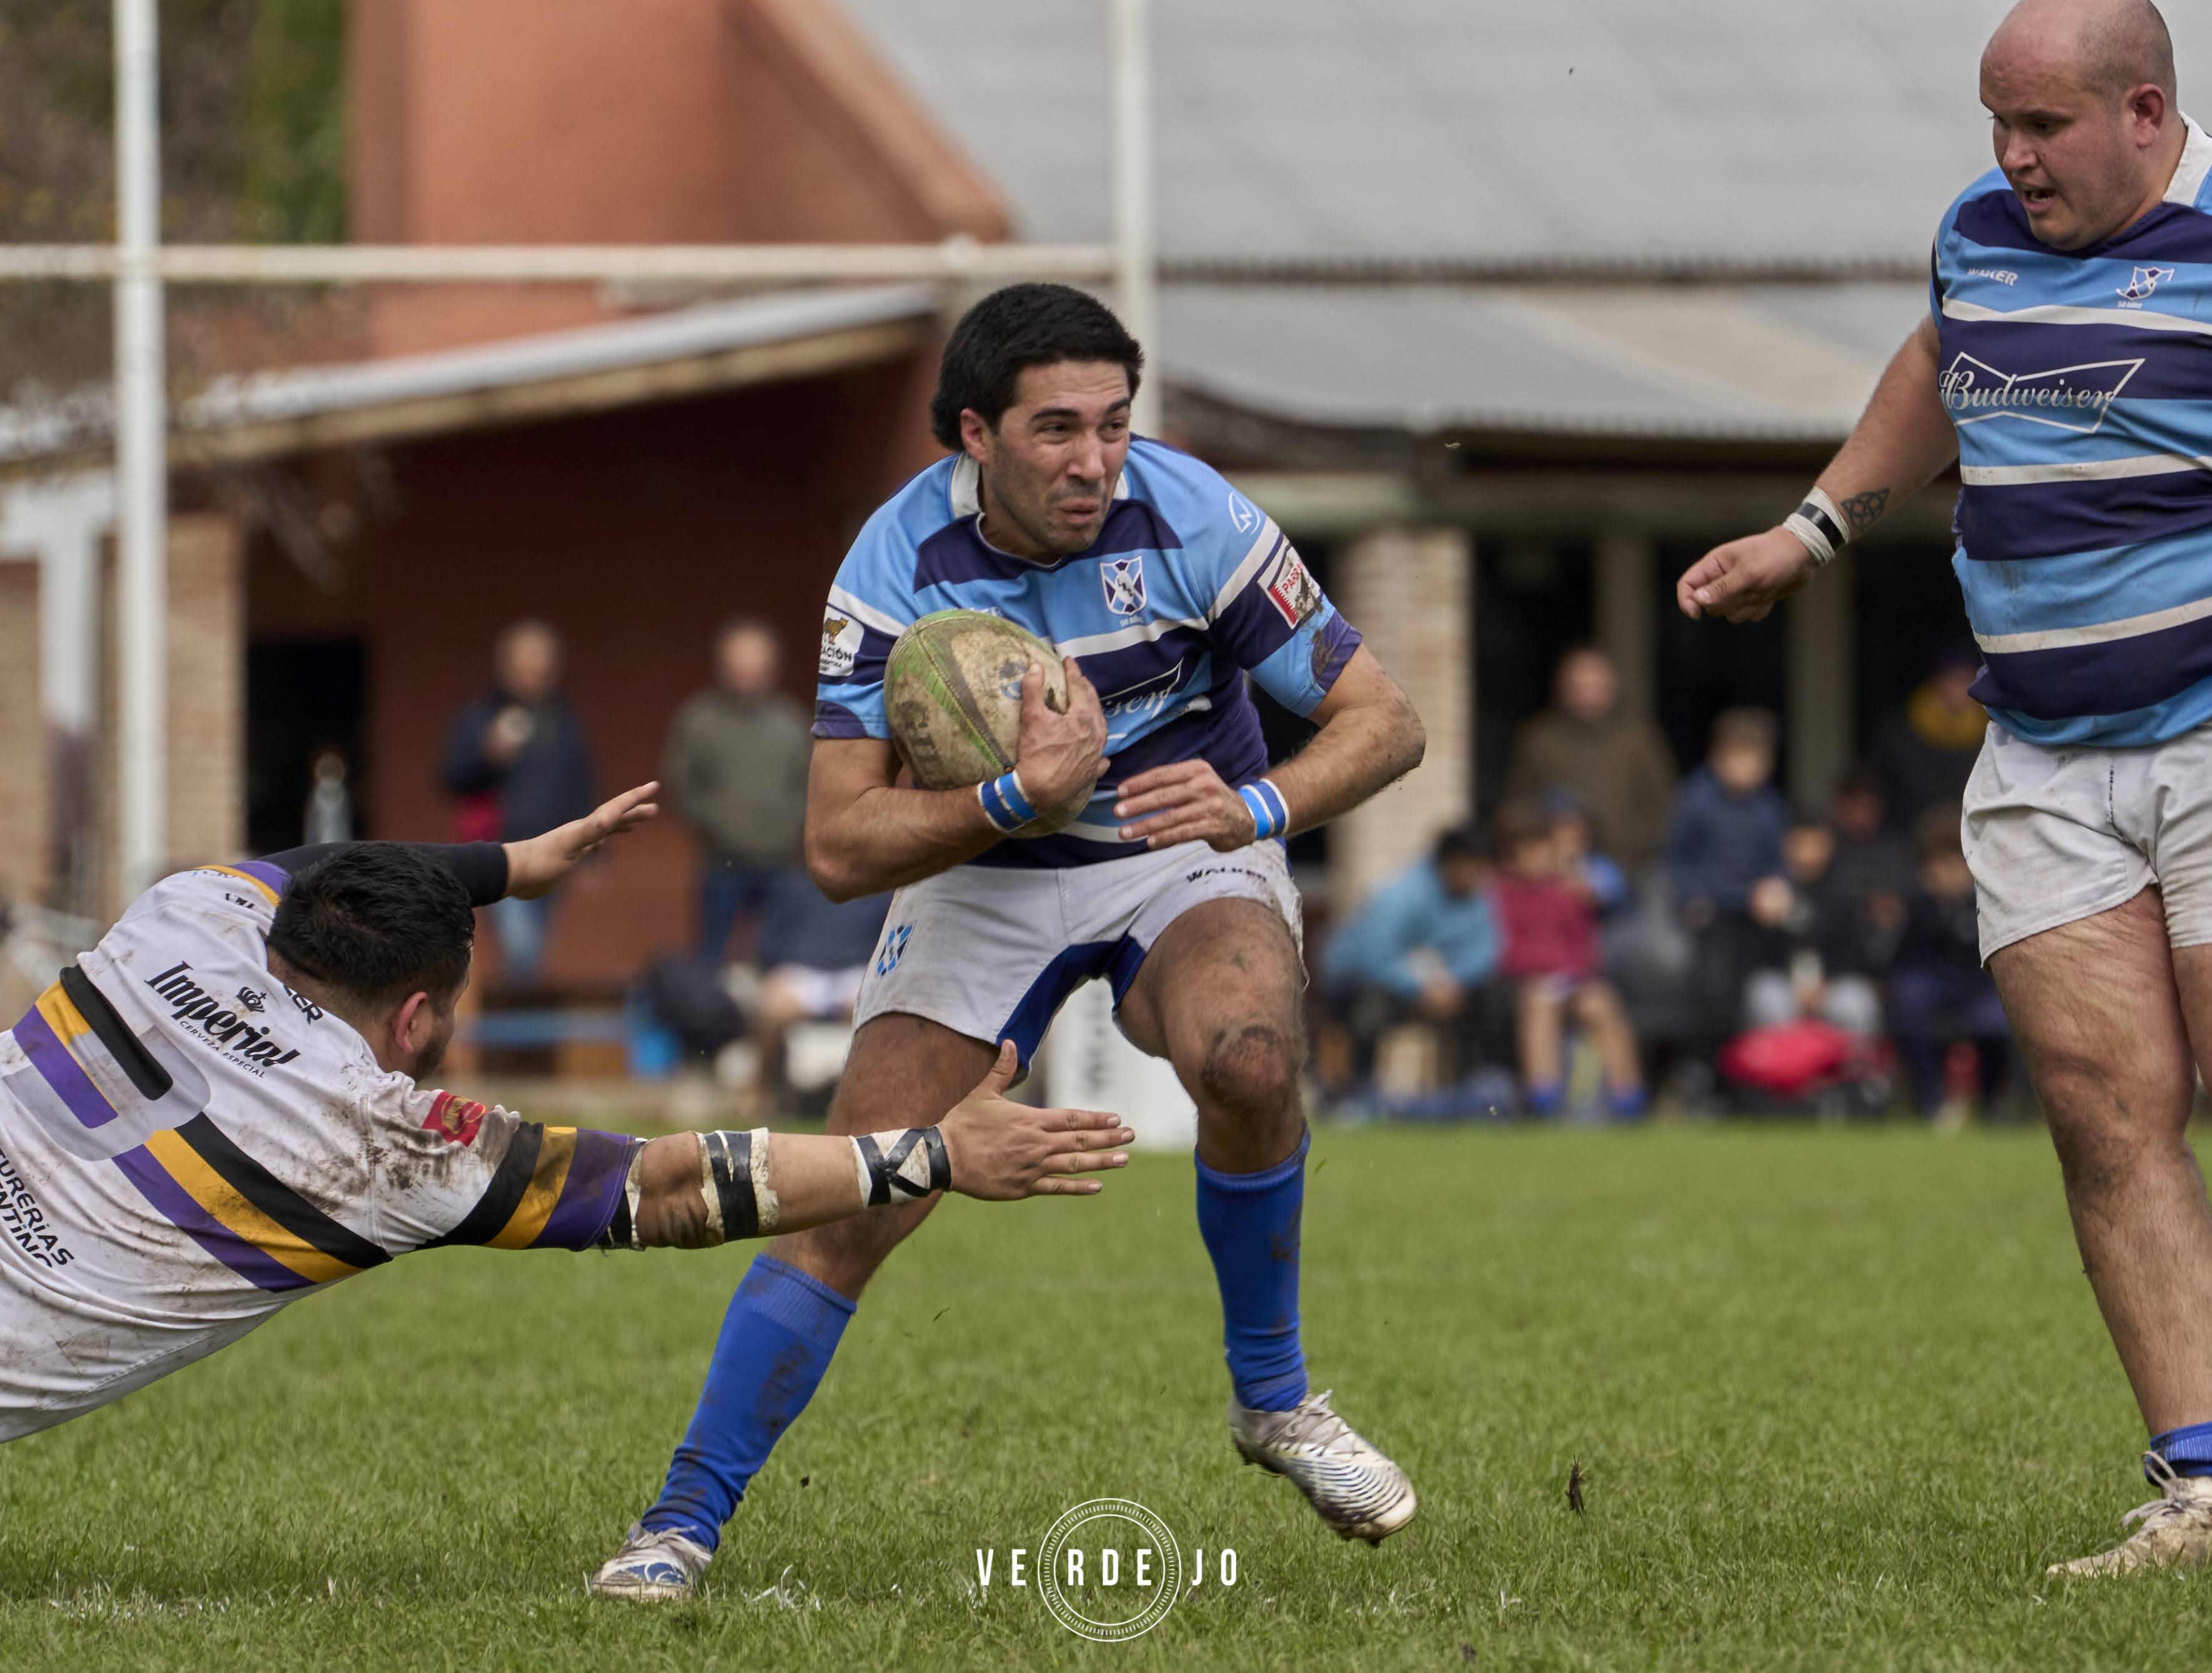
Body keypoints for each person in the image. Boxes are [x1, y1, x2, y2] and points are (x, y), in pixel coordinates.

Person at [590, 282, 1427, 1600]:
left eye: (1110, 423)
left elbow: (1386, 720)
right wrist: (1006, 800)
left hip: (1179, 846)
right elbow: (838, 839)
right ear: (972, 435)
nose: (1094, 460)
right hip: (984, 873)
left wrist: (1256, 802)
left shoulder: (1196, 513)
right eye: (1054, 430)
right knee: (868, 1182)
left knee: (1252, 1058)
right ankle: (679, 1521)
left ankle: (1275, 1401)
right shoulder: (890, 565)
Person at [1675, 0, 2212, 1574]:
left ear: (2141, 110)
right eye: (1992, 122)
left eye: (2040, 126)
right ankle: (2198, 1489)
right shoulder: (1975, 233)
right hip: (2039, 752)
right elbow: (1933, 360)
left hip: (2204, 733)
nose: (2007, 157)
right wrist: (1809, 531)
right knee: (2099, 1109)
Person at [0, 785, 1132, 1449]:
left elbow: (316, 863)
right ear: (415, 1020)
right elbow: (669, 1189)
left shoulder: (185, 911)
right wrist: (930, 1150)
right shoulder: (378, 1142)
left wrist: (501, 863)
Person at [439, 620, 595, 985]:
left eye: (539, 666)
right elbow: (450, 778)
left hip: (555, 850)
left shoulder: (564, 724)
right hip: (500, 850)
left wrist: (593, 851)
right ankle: (520, 1021)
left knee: (535, 944)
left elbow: (580, 786)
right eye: (523, 666)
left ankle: (523, 1018)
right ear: (505, 666)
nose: (531, 675)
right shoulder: (479, 718)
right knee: (522, 948)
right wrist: (488, 753)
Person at [662, 618, 813, 963]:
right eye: (739, 665)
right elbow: (681, 784)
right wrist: (718, 823)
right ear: (723, 666)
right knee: (711, 957)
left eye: (755, 666)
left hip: (780, 864)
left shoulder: (791, 723)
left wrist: (790, 826)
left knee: (781, 958)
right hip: (721, 863)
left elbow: (808, 785)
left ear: (771, 668)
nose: (747, 674)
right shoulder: (698, 720)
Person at [1489, 801, 1644, 1119]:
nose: (1543, 856)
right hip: (1521, 983)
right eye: (1532, 850)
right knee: (1541, 1003)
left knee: (1601, 1002)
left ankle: (1628, 1098)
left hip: (1572, 982)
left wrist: (1572, 976)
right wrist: (1545, 971)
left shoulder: (1571, 891)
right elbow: (1504, 949)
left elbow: (1583, 949)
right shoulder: (1498, 891)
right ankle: (1543, 1098)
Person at [1319, 824, 1499, 1090]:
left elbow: (1486, 951)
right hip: (1359, 978)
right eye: (1472, 868)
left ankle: (1472, 1090)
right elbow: (1375, 957)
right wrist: (1421, 987)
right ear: (1451, 863)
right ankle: (1355, 1094)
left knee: (1492, 1001)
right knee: (1370, 1006)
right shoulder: (1400, 895)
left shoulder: (1478, 897)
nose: (1477, 878)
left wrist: (1452, 984)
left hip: (1440, 987)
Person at [1665, 709, 1792, 1043]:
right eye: (1737, 758)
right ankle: (1708, 1062)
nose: (1744, 769)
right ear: (1717, 758)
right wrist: (1692, 896)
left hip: (1753, 913)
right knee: (1714, 986)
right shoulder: (1696, 801)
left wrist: (1776, 886)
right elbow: (1679, 858)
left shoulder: (1769, 807)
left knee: (1755, 986)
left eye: (1754, 760)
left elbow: (1777, 860)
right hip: (1711, 912)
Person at [1504, 647, 1677, 873]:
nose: (1587, 698)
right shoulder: (1539, 739)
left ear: (1612, 689)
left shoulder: (1640, 739)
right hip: (1553, 874)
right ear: (1562, 689)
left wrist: (1634, 849)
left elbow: (1664, 802)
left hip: (1631, 869)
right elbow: (1520, 803)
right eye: (1578, 689)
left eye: (1596, 688)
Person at [1888, 805, 2011, 1121]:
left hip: (1979, 987)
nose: (1949, 873)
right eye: (1939, 865)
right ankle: (1930, 1099)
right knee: (1909, 1000)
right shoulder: (1915, 905)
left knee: (1998, 1020)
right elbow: (1901, 958)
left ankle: (1991, 1101)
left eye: (1956, 864)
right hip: (1933, 985)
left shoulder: (1990, 900)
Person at [1874, 647, 1989, 828]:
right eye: (1953, 679)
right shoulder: (1903, 732)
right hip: (1912, 835)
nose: (1960, 689)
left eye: (1967, 679)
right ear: (1936, 682)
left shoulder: (1992, 731)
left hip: (1972, 833)